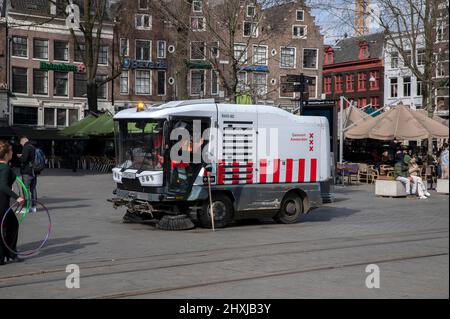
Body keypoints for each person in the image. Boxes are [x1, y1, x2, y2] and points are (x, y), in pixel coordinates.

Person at [0, 141, 25, 265]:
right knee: (11, 225)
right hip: (2, 203)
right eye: (11, 151)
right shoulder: (5, 168)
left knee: (9, 225)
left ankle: (7, 254)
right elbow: (2, 185)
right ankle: (9, 253)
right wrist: (17, 197)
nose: (12, 152)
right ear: (6, 155)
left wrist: (10, 188)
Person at [17, 136, 37, 213]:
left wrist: (20, 156)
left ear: (23, 141)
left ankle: (26, 207)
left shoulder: (26, 147)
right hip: (34, 171)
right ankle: (34, 207)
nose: (21, 145)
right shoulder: (33, 147)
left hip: (27, 171)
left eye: (21, 143)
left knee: (26, 189)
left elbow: (24, 160)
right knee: (33, 189)